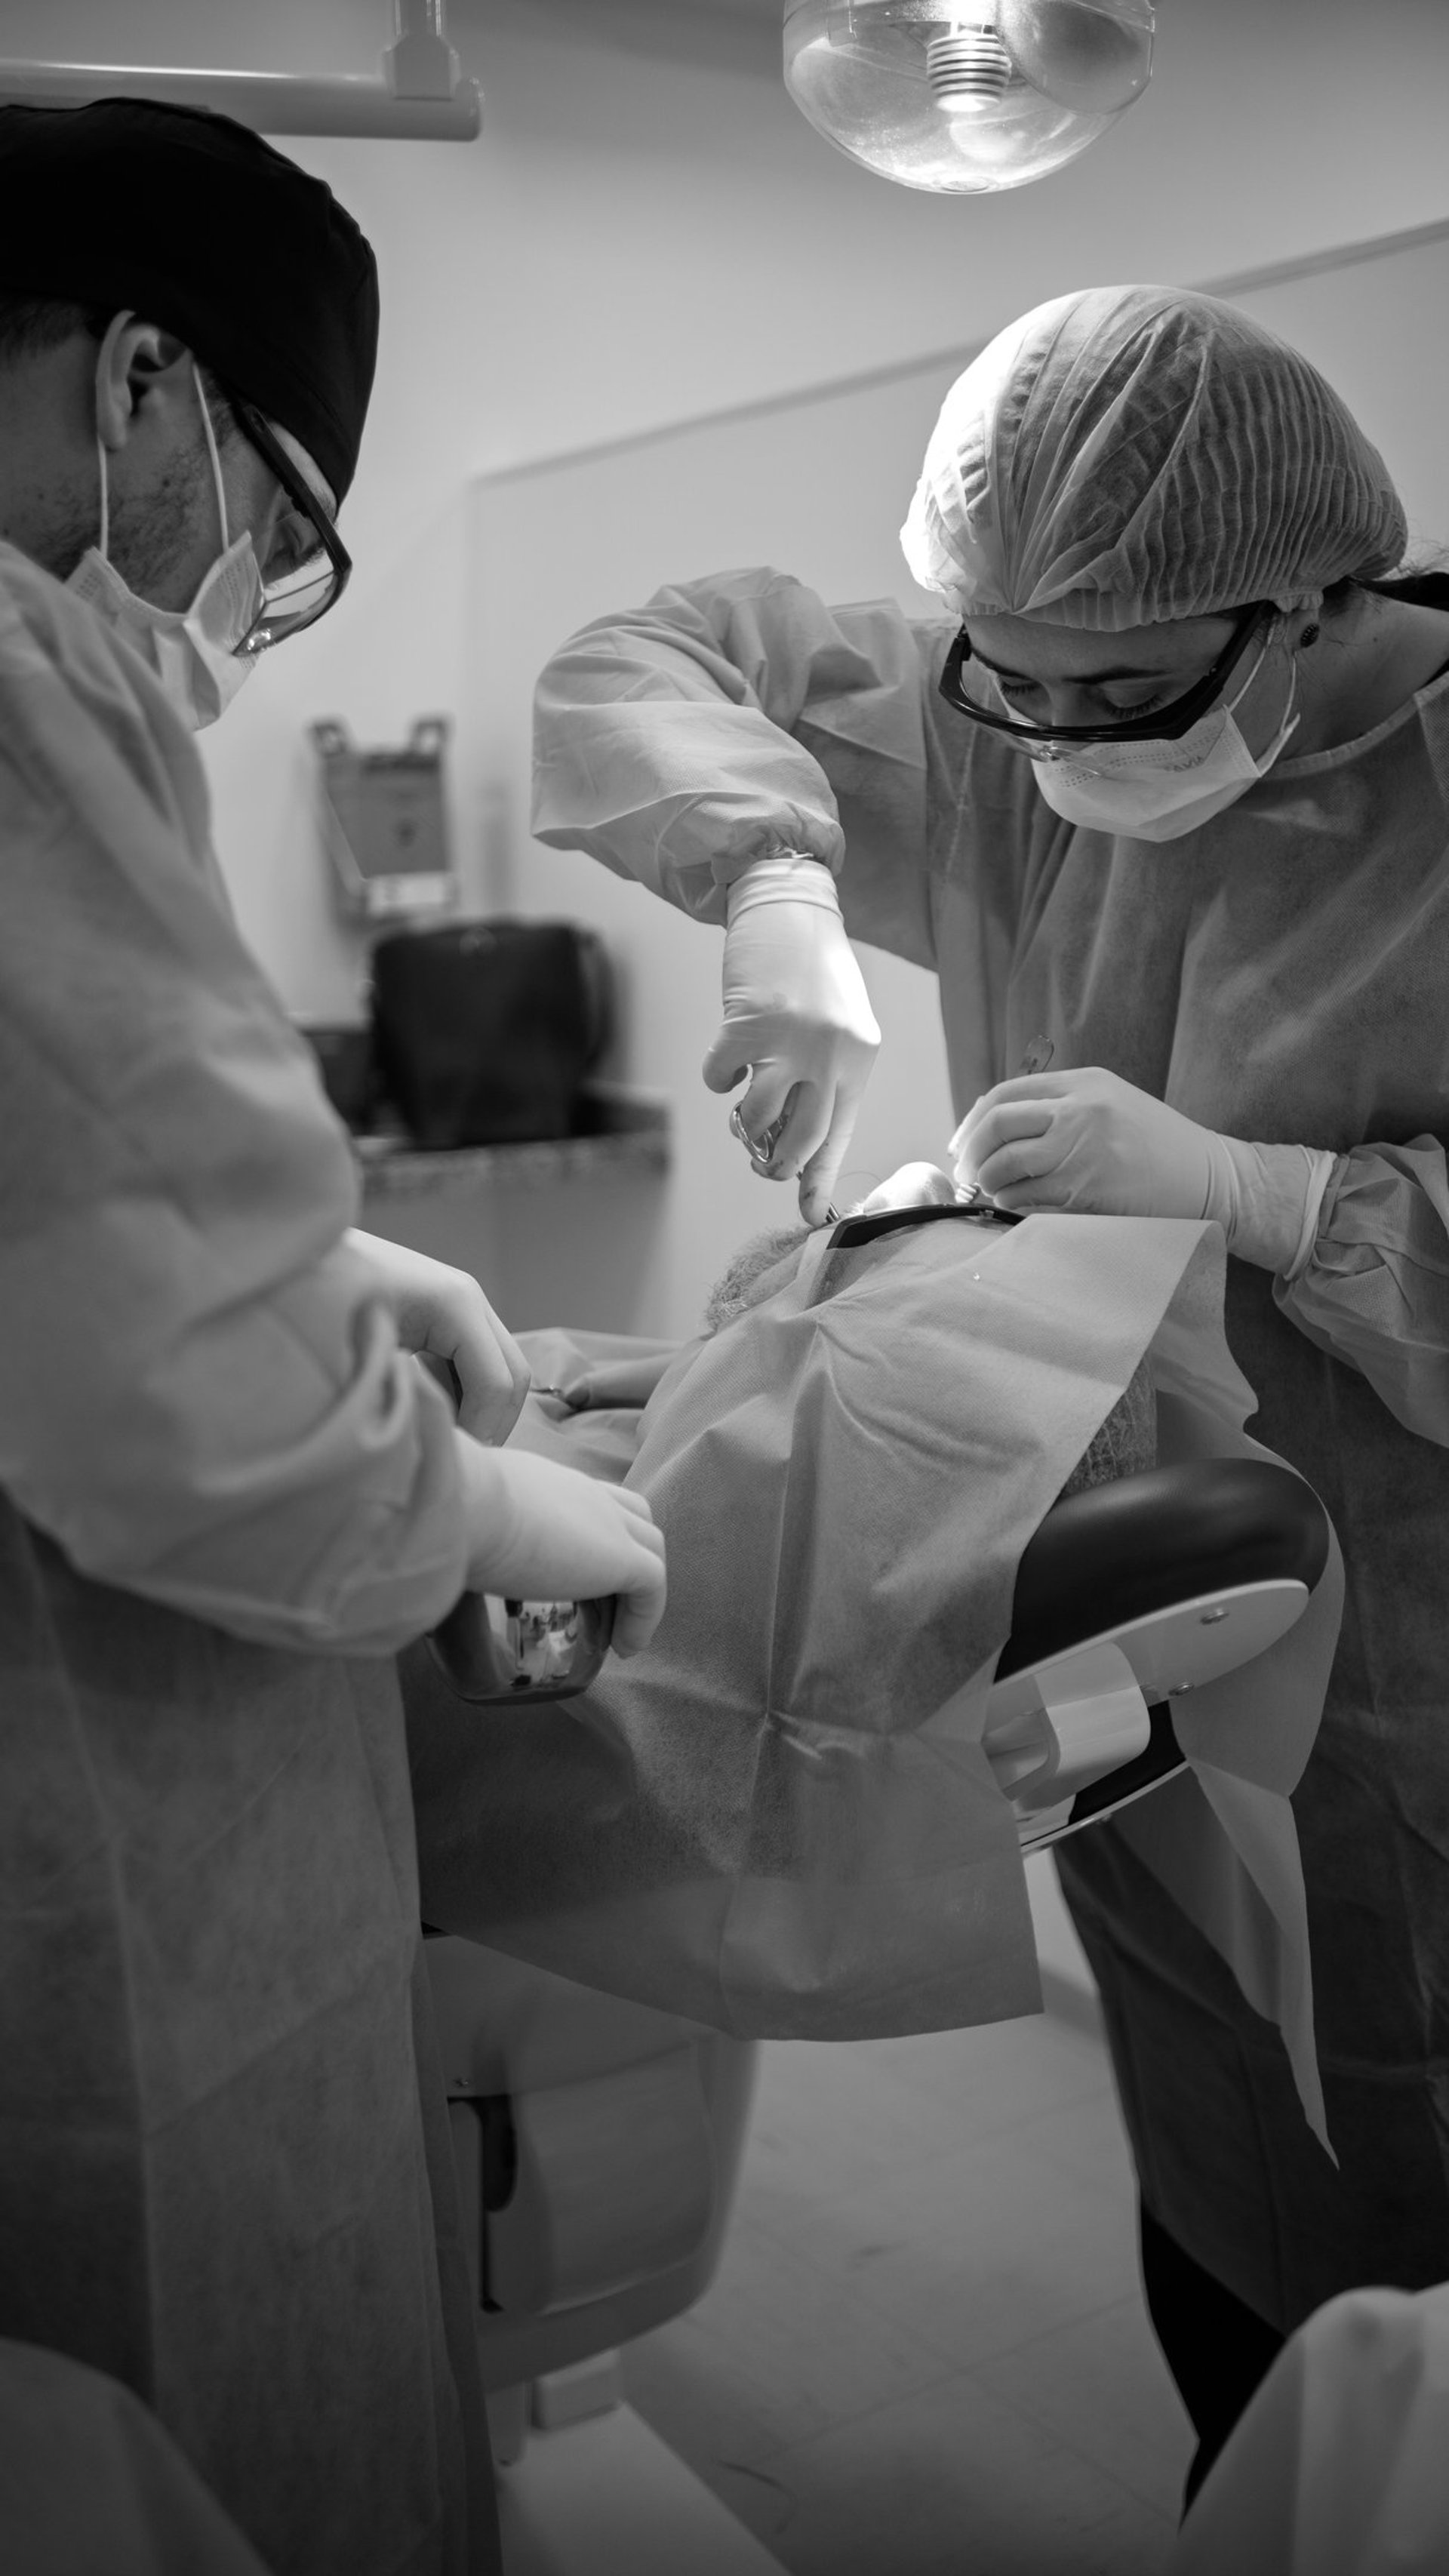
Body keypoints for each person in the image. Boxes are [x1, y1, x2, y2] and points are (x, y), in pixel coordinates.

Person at [531, 282, 1449, 2503]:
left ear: (1310, 601)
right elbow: (640, 660)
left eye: (1115, 689)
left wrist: (1272, 1192)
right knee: (1230, 2215)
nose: (1050, 743)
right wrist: (771, 885)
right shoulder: (1016, 726)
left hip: (1421, 1674)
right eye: (1001, 683)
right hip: (1143, 1652)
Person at [0, 97, 665, 2576]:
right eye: (282, 532)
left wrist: (323, 1269)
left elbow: (59, 1193)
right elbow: (194, 1424)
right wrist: (476, 1492)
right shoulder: (21, 671)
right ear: (144, 382)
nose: (252, 602)